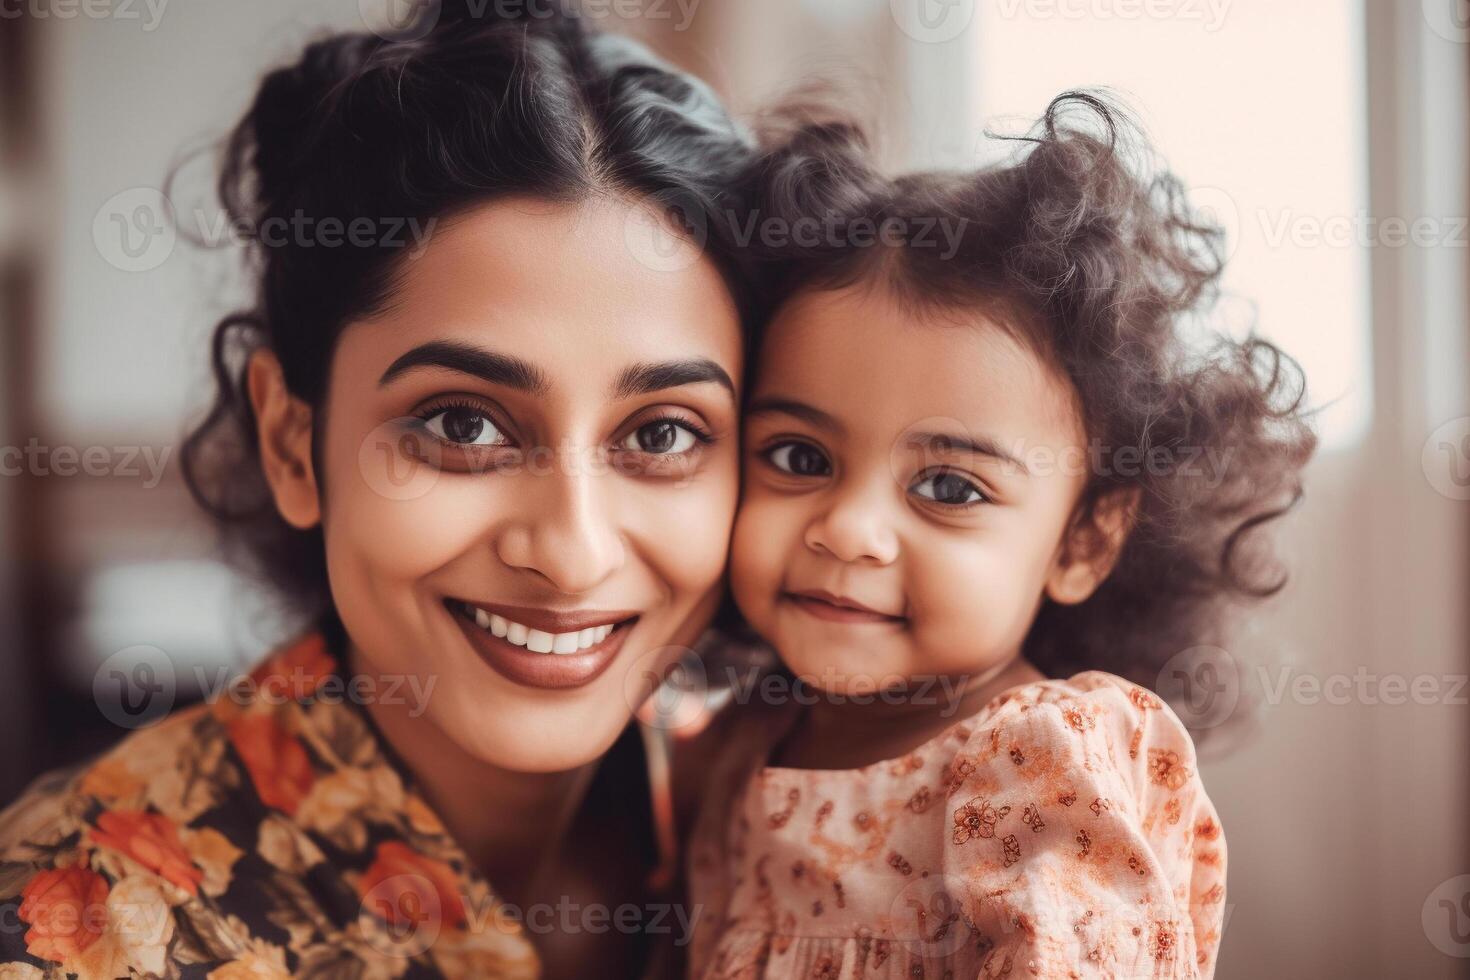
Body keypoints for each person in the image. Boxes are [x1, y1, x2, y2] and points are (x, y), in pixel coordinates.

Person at [0, 4, 760, 977]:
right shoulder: (81, 930)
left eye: (662, 433)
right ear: (291, 439)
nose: (575, 549)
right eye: (463, 424)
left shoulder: (798, 825)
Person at [684, 92, 1317, 978]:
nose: (851, 530)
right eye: (797, 455)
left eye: (948, 486)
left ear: (1081, 545)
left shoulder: (1038, 765)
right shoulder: (742, 745)